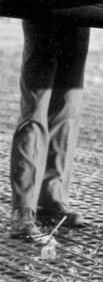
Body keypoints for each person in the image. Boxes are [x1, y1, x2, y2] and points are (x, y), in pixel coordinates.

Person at [9, 16, 90, 242]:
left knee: (68, 107)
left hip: (81, 6)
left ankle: (51, 201)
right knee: (36, 111)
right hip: (45, 2)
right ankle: (22, 211)